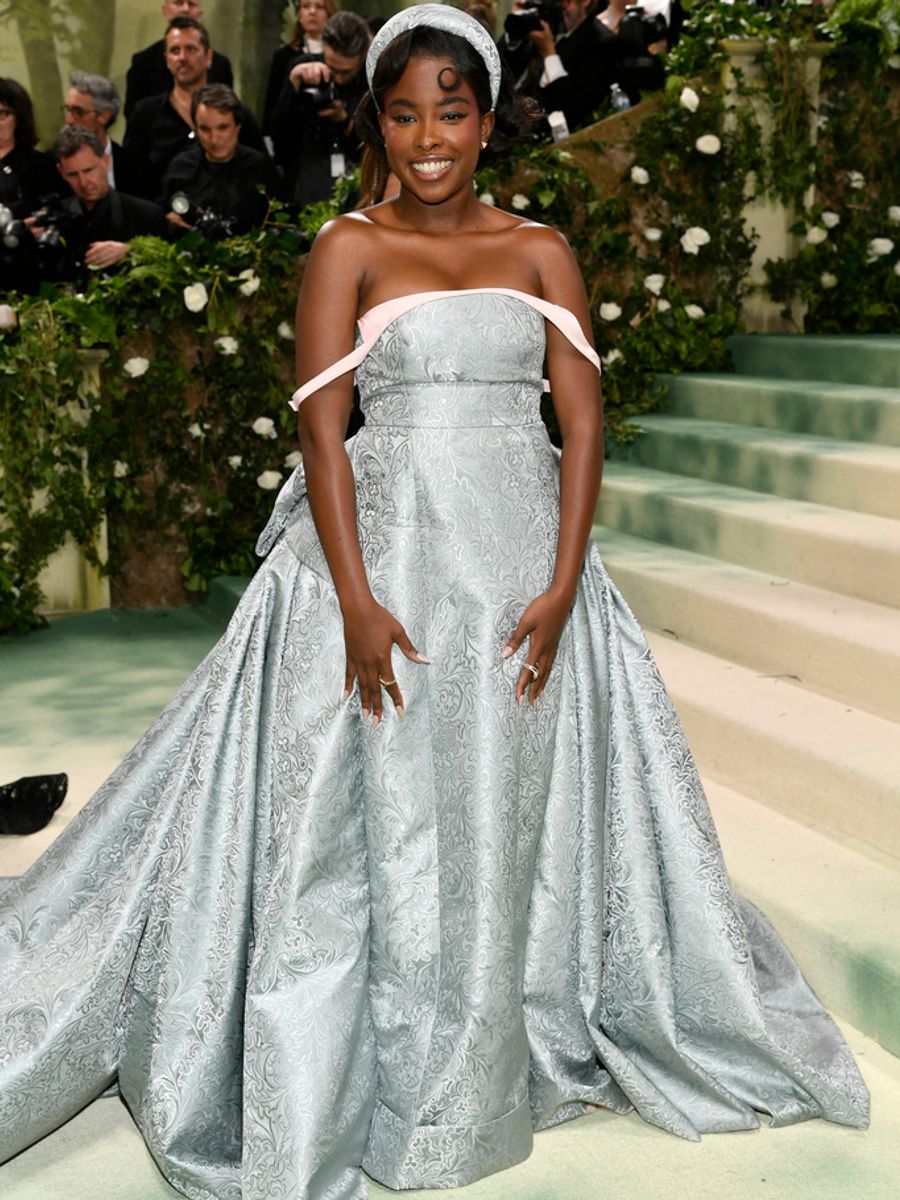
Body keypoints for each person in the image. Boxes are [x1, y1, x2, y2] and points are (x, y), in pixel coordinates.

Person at [0, 7, 869, 1199]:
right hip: (385, 566)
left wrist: (565, 582)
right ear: (378, 123)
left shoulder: (541, 250)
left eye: (449, 112)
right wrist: (355, 600)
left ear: (485, 115)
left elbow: (581, 421)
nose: (426, 138)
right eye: (402, 113)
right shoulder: (348, 246)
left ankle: (518, 1016)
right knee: (377, 821)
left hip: (518, 571)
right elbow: (322, 433)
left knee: (515, 801)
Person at [124, 15, 266, 203]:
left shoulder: (236, 113)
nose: (182, 57)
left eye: (191, 49)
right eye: (175, 50)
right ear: (167, 60)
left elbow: (261, 171)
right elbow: (129, 179)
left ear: (208, 57)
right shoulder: (145, 114)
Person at [30, 127, 167, 282]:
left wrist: (130, 253)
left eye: (89, 170)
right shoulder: (53, 219)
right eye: (73, 174)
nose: (83, 182)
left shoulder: (147, 215)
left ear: (106, 162)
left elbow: (166, 268)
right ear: (61, 172)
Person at [269, 10, 369, 208]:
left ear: (363, 56)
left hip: (356, 193)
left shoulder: (371, 80)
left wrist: (343, 120)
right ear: (324, 49)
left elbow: (372, 150)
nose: (338, 78)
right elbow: (278, 136)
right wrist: (293, 85)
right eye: (333, 69)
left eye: (346, 72)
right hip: (304, 186)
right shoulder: (305, 69)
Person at [160, 84, 274, 237]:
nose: (214, 139)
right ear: (196, 129)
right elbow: (161, 215)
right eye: (205, 129)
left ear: (237, 127)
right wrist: (168, 222)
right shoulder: (180, 167)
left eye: (223, 128)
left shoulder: (259, 167)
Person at [500, 0, 612, 135]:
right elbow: (501, 70)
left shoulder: (601, 42)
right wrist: (514, 35)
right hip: (516, 129)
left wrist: (549, 53)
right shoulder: (547, 26)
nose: (559, 8)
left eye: (565, 1)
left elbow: (572, 110)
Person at [124, 0, 234, 121]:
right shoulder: (143, 63)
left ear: (200, 13)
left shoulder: (220, 64)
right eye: (178, 3)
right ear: (165, 11)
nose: (185, 9)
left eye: (191, 4)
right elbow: (133, 116)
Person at [0, 78, 58, 292]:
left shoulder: (39, 164)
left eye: (2, 114)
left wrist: (7, 212)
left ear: (19, 117)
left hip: (24, 269)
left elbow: (44, 212)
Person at [262, 0, 338, 136]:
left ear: (330, 13)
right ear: (299, 15)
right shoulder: (284, 56)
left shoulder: (340, 55)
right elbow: (272, 103)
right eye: (306, 6)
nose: (312, 12)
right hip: (293, 135)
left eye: (319, 7)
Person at [63, 71, 137, 193]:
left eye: (78, 112)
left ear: (104, 116)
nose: (69, 120)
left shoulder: (134, 165)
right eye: (68, 110)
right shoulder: (50, 166)